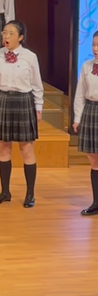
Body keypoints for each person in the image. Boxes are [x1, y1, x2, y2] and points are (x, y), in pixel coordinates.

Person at [0, 20, 42, 208]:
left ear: (20, 37)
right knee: (3, 147)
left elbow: (36, 85)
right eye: (4, 32)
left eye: (10, 33)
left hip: (23, 101)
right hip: (2, 100)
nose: (6, 36)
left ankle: (30, 194)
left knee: (26, 148)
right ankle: (5, 191)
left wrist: (38, 108)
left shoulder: (30, 57)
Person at [73, 32, 98, 216]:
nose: (95, 49)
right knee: (93, 159)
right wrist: (77, 118)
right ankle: (96, 202)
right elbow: (80, 93)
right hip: (91, 110)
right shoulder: (86, 66)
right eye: (93, 44)